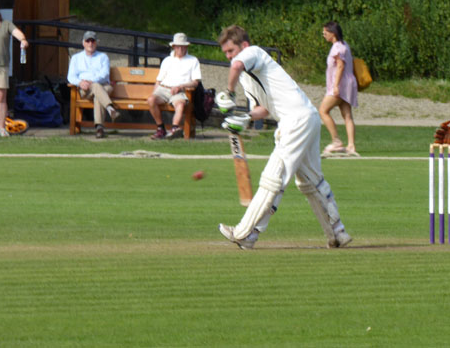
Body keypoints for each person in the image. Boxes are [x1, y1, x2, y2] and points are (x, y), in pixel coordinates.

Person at [215, 24, 352, 250]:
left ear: (244, 45)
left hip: (296, 120)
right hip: (305, 118)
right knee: (310, 181)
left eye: (231, 51)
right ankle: (338, 232)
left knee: (273, 177)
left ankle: (244, 233)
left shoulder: (253, 53)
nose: (229, 57)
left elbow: (237, 65)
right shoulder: (247, 77)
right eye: (226, 53)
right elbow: (263, 109)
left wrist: (229, 94)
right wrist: (245, 117)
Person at [147, 32, 202, 140]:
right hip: (164, 88)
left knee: (180, 104)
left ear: (186, 47)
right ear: (174, 47)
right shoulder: (167, 60)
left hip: (181, 90)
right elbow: (159, 80)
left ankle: (174, 128)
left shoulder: (193, 60)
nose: (180, 49)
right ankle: (160, 128)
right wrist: (154, 92)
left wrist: (181, 86)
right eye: (178, 46)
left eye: (183, 46)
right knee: (151, 100)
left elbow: (196, 82)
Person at [67, 30, 120, 138]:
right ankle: (110, 110)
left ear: (97, 43)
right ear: (83, 43)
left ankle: (99, 128)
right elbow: (70, 76)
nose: (90, 44)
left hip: (104, 85)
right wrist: (80, 82)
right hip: (85, 89)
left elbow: (105, 74)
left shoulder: (103, 57)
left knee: (97, 91)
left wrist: (92, 81)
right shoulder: (76, 58)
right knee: (97, 91)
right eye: (88, 41)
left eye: (93, 41)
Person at [318, 21, 359, 157]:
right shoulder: (344, 45)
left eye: (325, 33)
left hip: (340, 85)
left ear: (332, 33)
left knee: (323, 110)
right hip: (347, 84)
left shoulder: (337, 48)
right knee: (347, 115)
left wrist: (335, 86)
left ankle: (336, 141)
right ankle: (351, 145)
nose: (323, 35)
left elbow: (340, 66)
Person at [0, 4, 29, 138]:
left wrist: (23, 41)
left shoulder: (6, 24)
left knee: (0, 97)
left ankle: (2, 128)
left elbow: (19, 34)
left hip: (1, 67)